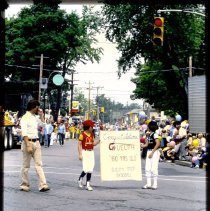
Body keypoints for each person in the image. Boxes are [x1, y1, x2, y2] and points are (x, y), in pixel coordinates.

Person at [20, 99, 50, 192]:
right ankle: (24, 185)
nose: (39, 109)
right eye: (38, 107)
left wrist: (41, 115)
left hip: (36, 142)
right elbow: (24, 132)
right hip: (27, 142)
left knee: (39, 164)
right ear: (34, 107)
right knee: (26, 165)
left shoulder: (35, 117)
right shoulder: (25, 117)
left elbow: (43, 125)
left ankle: (43, 185)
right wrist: (28, 145)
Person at [77, 120, 100, 191]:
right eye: (91, 127)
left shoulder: (92, 134)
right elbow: (79, 144)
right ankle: (80, 179)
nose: (92, 128)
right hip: (85, 152)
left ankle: (88, 184)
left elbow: (93, 144)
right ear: (88, 127)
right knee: (86, 168)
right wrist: (80, 154)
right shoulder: (82, 134)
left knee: (91, 168)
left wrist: (99, 141)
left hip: (91, 152)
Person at [140, 121, 160, 190]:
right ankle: (148, 184)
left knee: (154, 168)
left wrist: (152, 152)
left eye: (148, 126)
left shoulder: (155, 134)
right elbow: (146, 144)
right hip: (148, 152)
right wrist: (141, 145)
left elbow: (157, 144)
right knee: (147, 168)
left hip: (154, 152)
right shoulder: (148, 135)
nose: (147, 127)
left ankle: (155, 184)